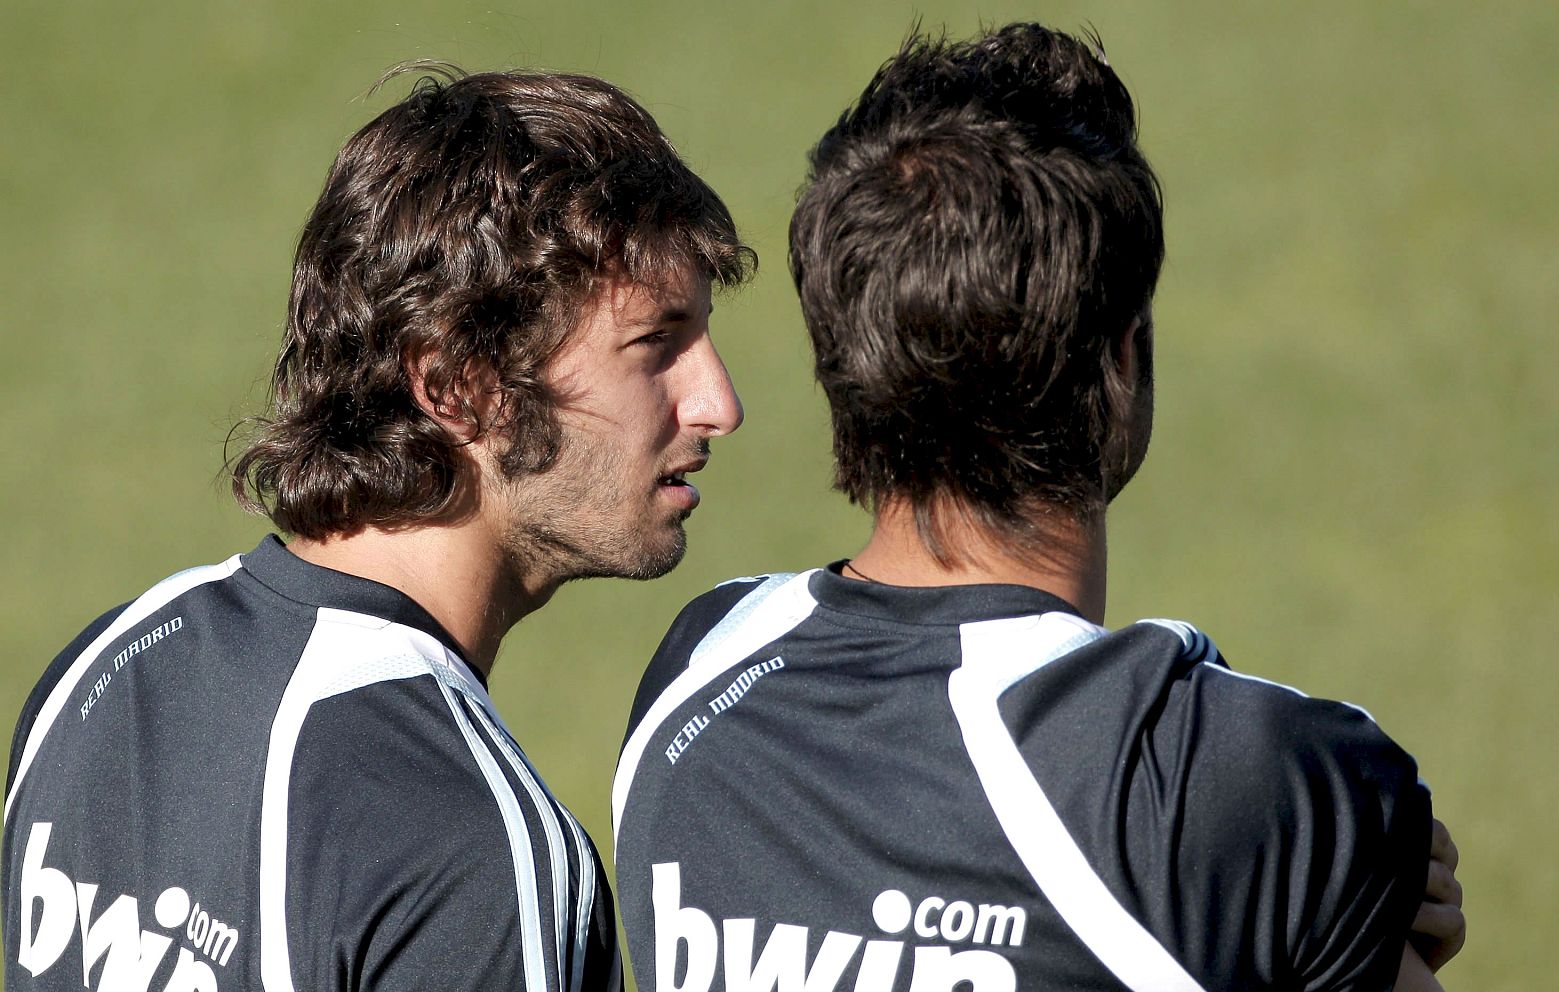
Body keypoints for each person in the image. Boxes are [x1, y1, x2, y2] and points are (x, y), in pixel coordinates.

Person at [612, 24, 1463, 992]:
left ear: (845, 366)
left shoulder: (697, 670)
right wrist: (1346, 871)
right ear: (1119, 362)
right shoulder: (1260, 778)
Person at [4, 66, 750, 991]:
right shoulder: (472, 842)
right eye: (656, 344)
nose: (719, 402)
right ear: (456, 388)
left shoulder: (101, 671)